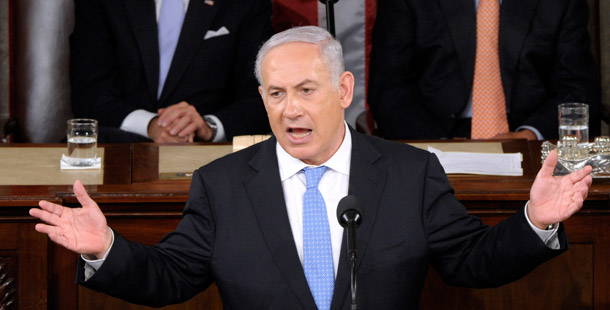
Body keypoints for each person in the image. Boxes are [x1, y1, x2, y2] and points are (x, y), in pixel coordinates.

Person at [30, 26, 592, 309]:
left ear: (343, 89)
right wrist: (106, 249)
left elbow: (472, 262)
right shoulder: (222, 183)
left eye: (305, 89)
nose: (290, 108)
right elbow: (171, 276)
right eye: (276, 93)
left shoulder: (409, 172)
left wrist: (534, 220)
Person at [368, 0, 601, 140]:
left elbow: (578, 89)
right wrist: (437, 143)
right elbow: (389, 88)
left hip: (527, 135)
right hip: (434, 134)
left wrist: (532, 134)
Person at [69, 0, 272, 143]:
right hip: (119, 149)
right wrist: (151, 125)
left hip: (208, 153)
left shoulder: (248, 3)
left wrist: (208, 127)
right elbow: (90, 93)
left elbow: (260, 96)